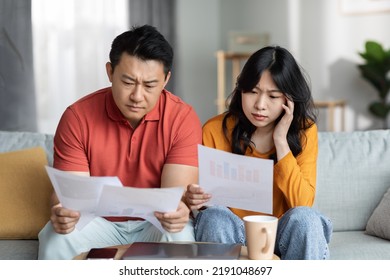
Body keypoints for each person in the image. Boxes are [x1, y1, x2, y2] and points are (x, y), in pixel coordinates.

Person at [38, 25, 202, 259]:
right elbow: (71, 196)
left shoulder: (182, 118)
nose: (137, 96)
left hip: (154, 224)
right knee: (55, 239)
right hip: (95, 222)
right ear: (110, 72)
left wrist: (178, 211)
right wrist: (64, 212)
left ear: (166, 79)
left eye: (149, 85)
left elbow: (173, 197)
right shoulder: (77, 117)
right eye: (127, 82)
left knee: (179, 237)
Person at [185, 46, 333, 260]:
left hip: (282, 233)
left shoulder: (305, 131)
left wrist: (281, 142)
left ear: (288, 100)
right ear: (240, 90)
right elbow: (203, 203)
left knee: (306, 219)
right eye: (252, 92)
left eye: (273, 96)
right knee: (214, 217)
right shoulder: (214, 130)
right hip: (235, 233)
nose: (260, 105)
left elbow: (302, 204)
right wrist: (193, 197)